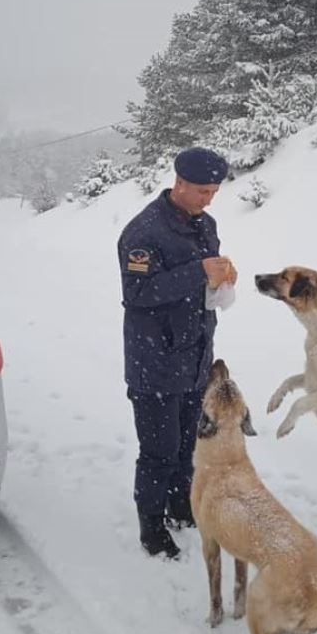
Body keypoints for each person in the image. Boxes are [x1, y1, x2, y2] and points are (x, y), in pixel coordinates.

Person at [117, 146, 237, 558]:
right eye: (203, 191)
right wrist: (197, 272)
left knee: (188, 444)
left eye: (214, 191)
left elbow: (206, 272)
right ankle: (151, 525)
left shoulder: (206, 223)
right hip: (154, 361)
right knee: (158, 450)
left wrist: (222, 276)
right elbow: (137, 293)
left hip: (195, 355)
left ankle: (180, 505)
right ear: (180, 183)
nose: (209, 199)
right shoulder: (143, 233)